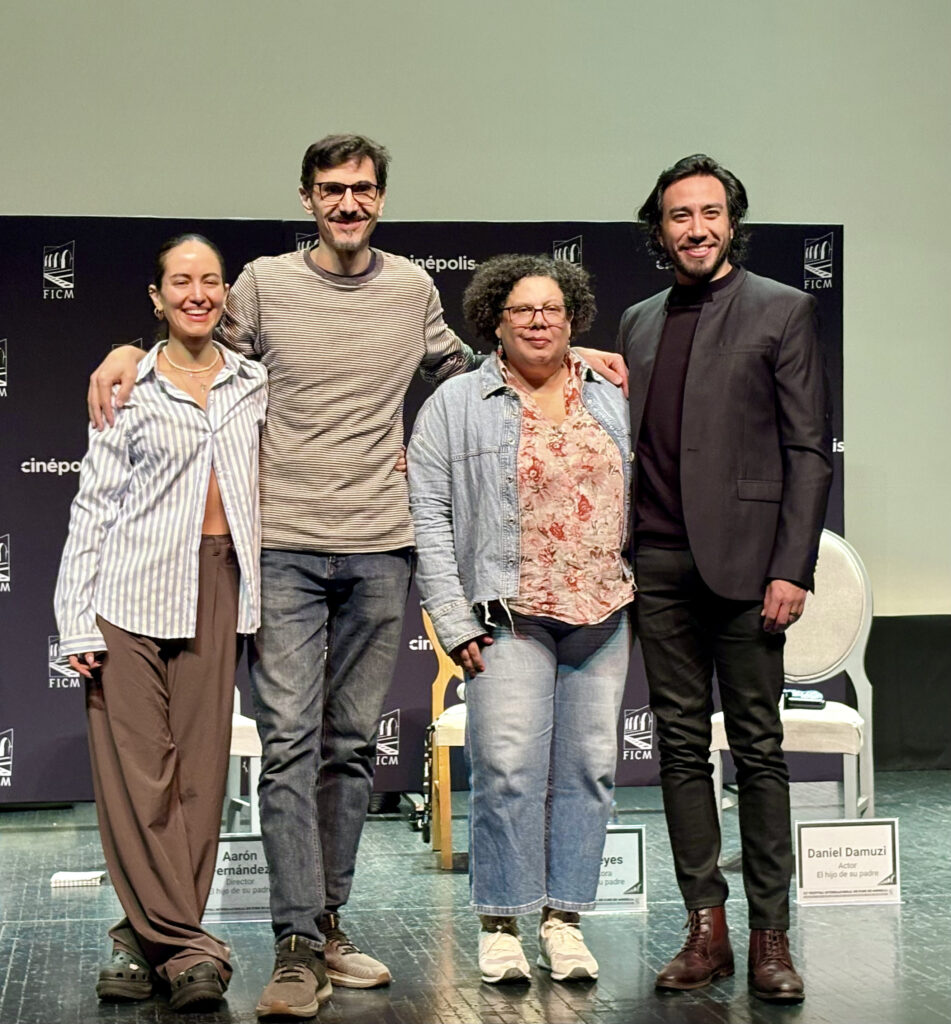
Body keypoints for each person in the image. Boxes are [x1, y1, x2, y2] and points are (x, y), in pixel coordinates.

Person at [86, 135, 622, 1019]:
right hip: (285, 547)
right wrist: (124, 353)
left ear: (380, 199)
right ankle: (295, 941)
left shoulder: (411, 290)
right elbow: (193, 351)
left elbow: (471, 366)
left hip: (381, 547)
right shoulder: (260, 283)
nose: (347, 203)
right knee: (290, 744)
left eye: (362, 190)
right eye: (331, 190)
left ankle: (328, 923)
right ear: (306, 199)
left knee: (345, 748)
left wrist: (578, 361)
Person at [618, 154, 833, 1003]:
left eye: (710, 213)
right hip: (658, 563)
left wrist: (791, 565)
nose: (695, 228)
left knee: (758, 751)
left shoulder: (783, 309)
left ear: (731, 224)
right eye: (679, 215)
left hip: (750, 569)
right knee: (676, 749)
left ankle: (770, 938)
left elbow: (808, 451)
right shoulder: (637, 321)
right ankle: (703, 931)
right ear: (659, 228)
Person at [55, 235, 268, 1012]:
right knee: (138, 779)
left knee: (201, 780)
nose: (197, 293)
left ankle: (140, 940)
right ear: (156, 296)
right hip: (129, 596)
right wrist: (74, 618)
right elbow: (93, 506)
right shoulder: (128, 385)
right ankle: (190, 950)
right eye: (181, 281)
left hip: (219, 590)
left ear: (224, 295)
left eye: (210, 281)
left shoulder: (254, 383)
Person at [408, 255, 633, 986]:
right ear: (493, 326)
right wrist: (451, 616)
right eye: (521, 311)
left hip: (603, 608)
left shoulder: (612, 395)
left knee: (589, 771)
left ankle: (563, 920)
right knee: (506, 770)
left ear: (572, 317)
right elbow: (430, 518)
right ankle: (501, 921)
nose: (539, 321)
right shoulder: (455, 404)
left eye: (551, 309)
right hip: (505, 613)